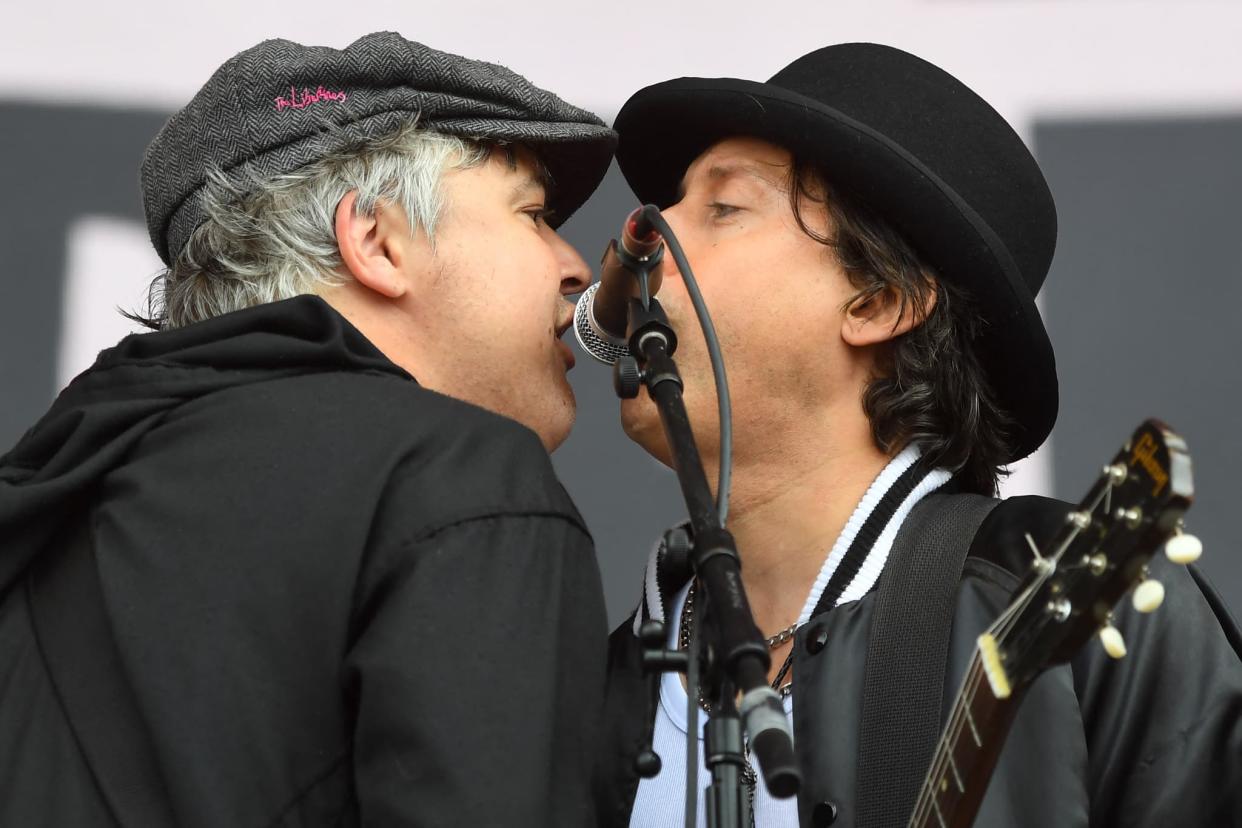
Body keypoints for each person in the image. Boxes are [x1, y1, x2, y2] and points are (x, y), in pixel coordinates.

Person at [594, 43, 1242, 826]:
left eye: (722, 208)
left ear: (878, 301)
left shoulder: (1069, 601)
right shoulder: (602, 680)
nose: (642, 240)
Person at [0, 32, 616, 825]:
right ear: (376, 242)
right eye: (533, 214)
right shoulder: (458, 476)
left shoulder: (52, 492)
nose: (574, 266)